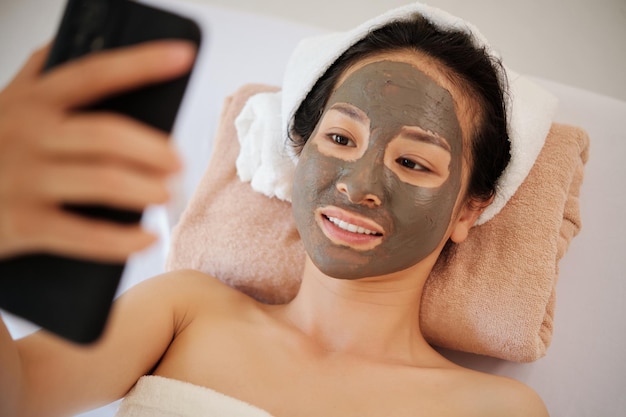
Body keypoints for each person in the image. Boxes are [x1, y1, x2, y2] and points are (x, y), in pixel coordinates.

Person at [0, 4, 550, 417]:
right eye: (339, 138)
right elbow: (17, 392)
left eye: (412, 162)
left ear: (467, 212)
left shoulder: (493, 407)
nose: (359, 186)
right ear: (299, 157)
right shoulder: (184, 310)